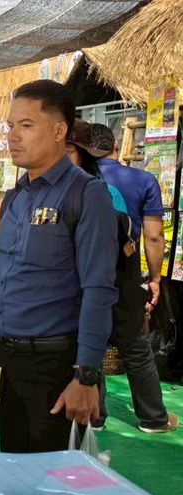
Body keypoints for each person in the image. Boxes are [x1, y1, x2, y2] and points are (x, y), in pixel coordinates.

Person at [0, 80, 118, 453]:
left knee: (50, 480)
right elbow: (2, 278)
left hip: (54, 367)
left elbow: (98, 289)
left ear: (58, 131)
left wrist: (86, 376)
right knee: (11, 469)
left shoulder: (86, 194)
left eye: (26, 125)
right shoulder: (15, 197)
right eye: (10, 126)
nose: (12, 136)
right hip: (6, 363)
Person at [87, 123, 178, 433]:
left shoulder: (78, 178)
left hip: (85, 272)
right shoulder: (142, 180)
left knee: (89, 342)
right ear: (116, 145)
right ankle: (153, 417)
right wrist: (155, 279)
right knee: (136, 347)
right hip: (124, 274)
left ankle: (94, 415)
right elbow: (153, 236)